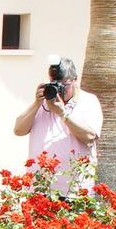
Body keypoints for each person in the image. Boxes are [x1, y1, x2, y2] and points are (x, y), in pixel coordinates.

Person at [12, 55, 101, 190]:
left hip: (74, 189)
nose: (60, 89)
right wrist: (37, 103)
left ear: (75, 80)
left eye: (64, 84)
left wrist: (63, 113)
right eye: (55, 83)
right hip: (41, 186)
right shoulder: (44, 101)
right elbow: (18, 130)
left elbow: (89, 136)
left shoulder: (89, 101)